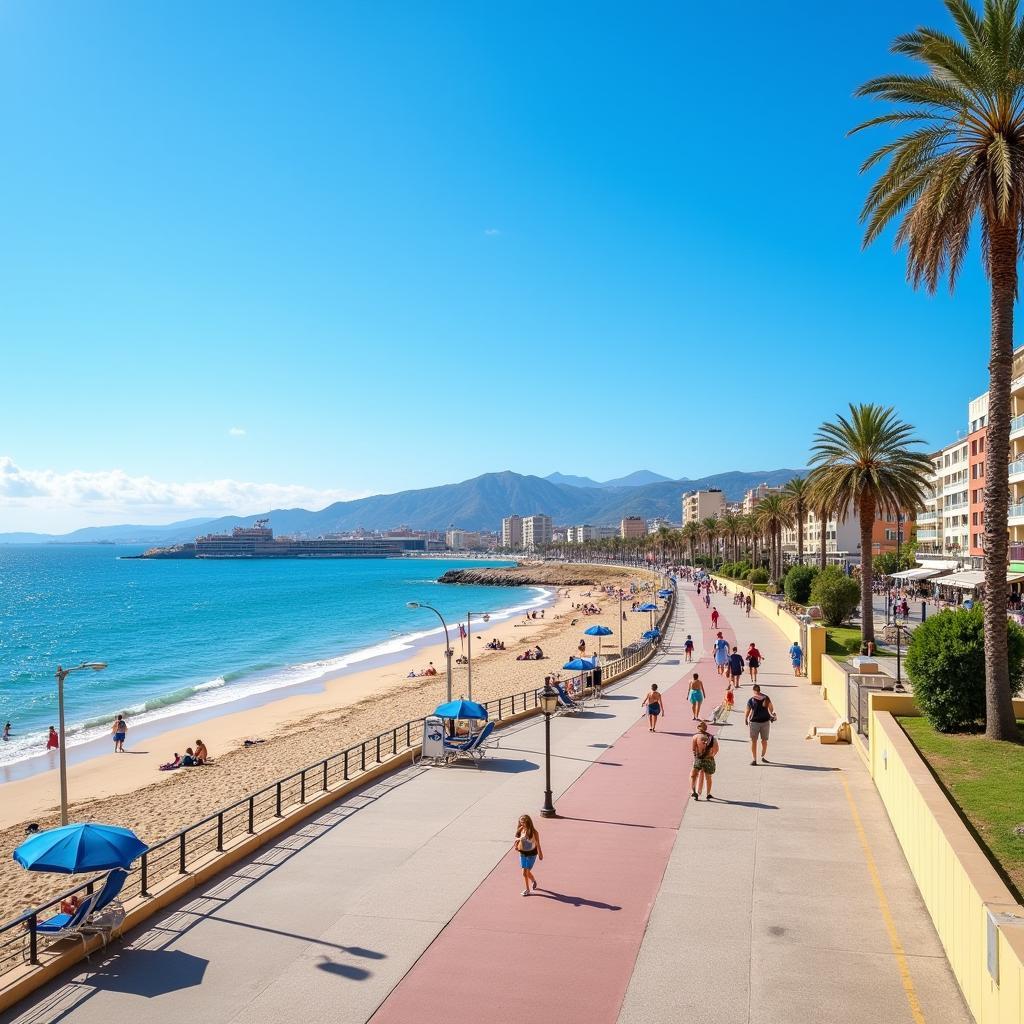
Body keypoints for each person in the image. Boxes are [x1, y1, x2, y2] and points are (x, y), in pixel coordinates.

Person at [745, 684, 776, 765]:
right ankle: (763, 754)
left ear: (754, 691)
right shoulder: (766, 698)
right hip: (765, 722)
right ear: (759, 690)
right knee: (764, 741)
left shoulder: (751, 700)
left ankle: (754, 759)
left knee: (753, 741)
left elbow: (748, 710)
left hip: (754, 722)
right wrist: (772, 715)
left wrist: (745, 718)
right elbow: (771, 708)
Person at [514, 814, 542, 896]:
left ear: (528, 822)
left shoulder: (534, 832)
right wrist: (517, 843)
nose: (522, 824)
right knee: (524, 872)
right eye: (521, 822)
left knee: (527, 871)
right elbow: (516, 839)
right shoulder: (520, 830)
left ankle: (533, 880)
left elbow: (538, 843)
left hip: (532, 853)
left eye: (524, 823)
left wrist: (540, 853)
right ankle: (527, 889)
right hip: (522, 852)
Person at [690, 721, 719, 801]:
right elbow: (716, 748)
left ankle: (694, 791)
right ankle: (708, 793)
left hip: (699, 759)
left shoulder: (695, 737)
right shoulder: (711, 737)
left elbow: (693, 749)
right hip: (709, 759)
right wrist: (711, 755)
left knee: (694, 775)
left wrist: (696, 757)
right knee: (708, 777)